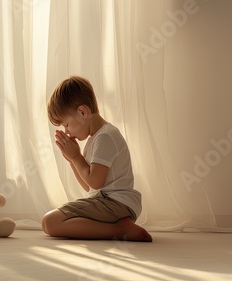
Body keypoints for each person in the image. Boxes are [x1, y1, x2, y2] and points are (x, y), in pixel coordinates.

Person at [41, 76, 153, 242]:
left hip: (115, 204)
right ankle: (120, 227)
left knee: (50, 222)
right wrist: (72, 160)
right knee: (51, 222)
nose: (66, 132)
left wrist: (76, 156)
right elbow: (88, 187)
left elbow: (95, 182)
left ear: (83, 112)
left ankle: (120, 230)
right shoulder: (96, 138)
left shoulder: (105, 137)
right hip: (109, 203)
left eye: (66, 124)